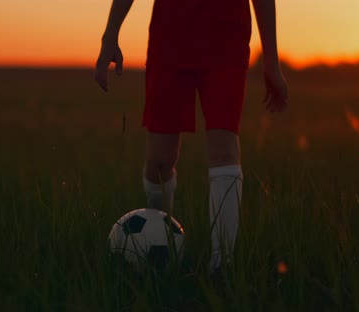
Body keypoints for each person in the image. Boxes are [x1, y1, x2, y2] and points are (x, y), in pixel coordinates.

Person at [95, 0, 289, 273]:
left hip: (227, 40)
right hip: (170, 38)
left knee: (224, 147)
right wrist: (110, 34)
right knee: (159, 161)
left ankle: (222, 265)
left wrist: (271, 60)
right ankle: (158, 247)